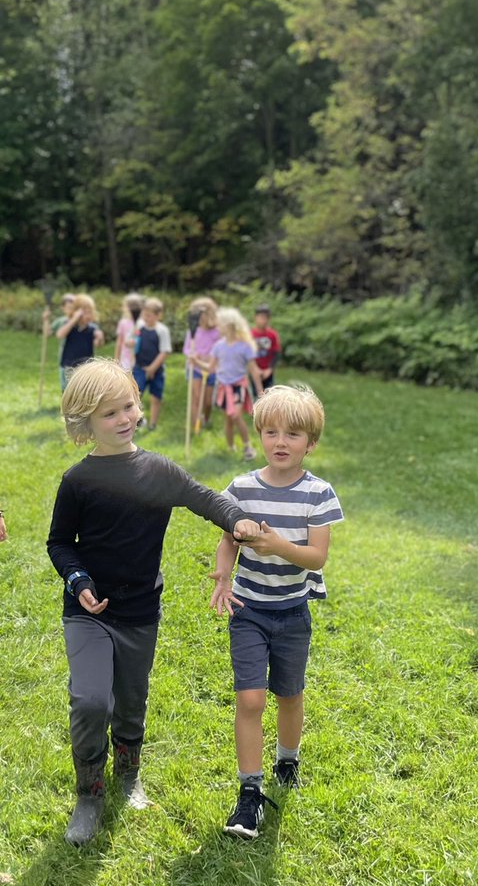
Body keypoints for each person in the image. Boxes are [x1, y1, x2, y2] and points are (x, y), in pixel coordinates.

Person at [47, 358, 261, 847]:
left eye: (128, 406)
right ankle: (89, 795)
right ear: (85, 422)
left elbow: (206, 498)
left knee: (131, 702)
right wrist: (78, 579)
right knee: (90, 700)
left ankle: (128, 779)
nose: (124, 418)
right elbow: (59, 542)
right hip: (89, 612)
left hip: (140, 611)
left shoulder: (158, 470)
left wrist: (237, 521)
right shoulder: (78, 480)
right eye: (109, 414)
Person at [209, 383, 344, 839]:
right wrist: (223, 574)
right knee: (250, 699)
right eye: (271, 432)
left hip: (291, 612)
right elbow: (228, 538)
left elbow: (316, 558)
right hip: (248, 609)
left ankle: (288, 760)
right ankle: (249, 793)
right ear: (260, 435)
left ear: (311, 442)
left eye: (292, 434)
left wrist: (276, 545)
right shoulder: (241, 488)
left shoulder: (318, 494)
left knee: (289, 695)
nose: (280, 442)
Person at [208, 307, 264, 460]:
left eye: (220, 324)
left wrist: (260, 392)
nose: (217, 327)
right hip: (223, 387)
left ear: (229, 325)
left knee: (236, 415)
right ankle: (231, 448)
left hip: (238, 386)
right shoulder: (218, 346)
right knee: (228, 419)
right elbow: (210, 368)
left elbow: (253, 370)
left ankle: (248, 447)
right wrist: (195, 361)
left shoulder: (245, 346)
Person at [132, 297, 171, 431]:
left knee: (155, 397)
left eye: (149, 315)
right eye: (144, 315)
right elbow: (135, 341)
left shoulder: (162, 330)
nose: (146, 318)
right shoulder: (140, 326)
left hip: (157, 370)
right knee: (135, 395)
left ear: (158, 315)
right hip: (140, 367)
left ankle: (153, 424)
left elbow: (164, 351)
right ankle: (138, 420)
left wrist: (153, 368)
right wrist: (130, 343)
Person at [182, 296, 220, 430]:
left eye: (201, 313)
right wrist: (192, 355)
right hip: (195, 368)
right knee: (196, 397)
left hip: (210, 368)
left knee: (208, 401)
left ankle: (206, 418)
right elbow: (186, 349)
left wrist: (211, 357)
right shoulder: (193, 331)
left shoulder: (217, 332)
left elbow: (220, 349)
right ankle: (195, 427)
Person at [56, 294, 104, 389]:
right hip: (68, 366)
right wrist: (74, 319)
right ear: (76, 312)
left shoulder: (93, 328)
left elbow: (97, 345)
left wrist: (100, 338)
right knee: (68, 391)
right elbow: (60, 335)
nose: (89, 316)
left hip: (86, 367)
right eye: (85, 313)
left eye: (90, 312)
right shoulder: (70, 325)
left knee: (83, 391)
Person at [42, 293, 75, 389]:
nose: (71, 310)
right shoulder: (61, 321)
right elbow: (47, 333)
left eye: (73, 307)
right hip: (65, 358)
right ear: (63, 308)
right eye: (69, 307)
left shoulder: (81, 321)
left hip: (80, 357)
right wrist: (46, 320)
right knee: (65, 386)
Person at [251, 303, 282, 395]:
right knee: (257, 396)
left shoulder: (272, 334)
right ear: (255, 317)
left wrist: (270, 369)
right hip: (254, 370)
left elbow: (276, 353)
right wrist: (255, 368)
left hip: (268, 371)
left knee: (269, 395)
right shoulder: (250, 334)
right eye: (261, 317)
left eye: (266, 318)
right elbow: (247, 354)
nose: (263, 320)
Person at [114, 292, 144, 371]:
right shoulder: (123, 323)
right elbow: (119, 342)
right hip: (125, 357)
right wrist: (116, 359)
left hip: (139, 358)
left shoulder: (142, 323)